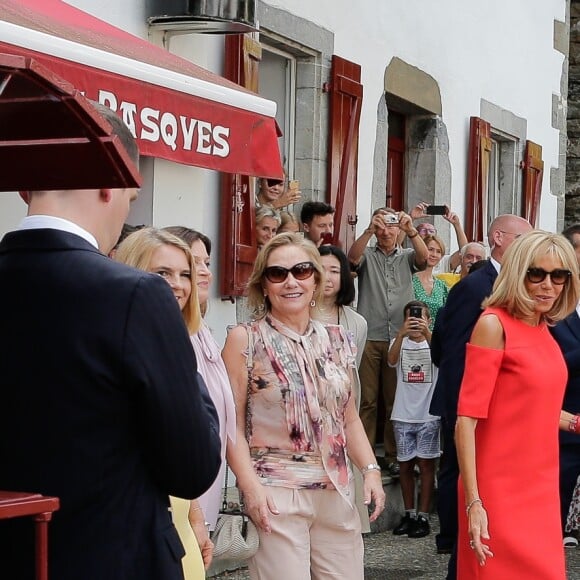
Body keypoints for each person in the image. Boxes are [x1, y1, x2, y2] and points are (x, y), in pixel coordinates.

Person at [0, 102, 221, 580]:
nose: (127, 208)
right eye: (130, 194)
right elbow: (193, 465)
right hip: (113, 558)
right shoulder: (135, 295)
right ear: (109, 182)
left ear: (25, 188)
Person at [222, 233, 385, 580]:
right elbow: (230, 424)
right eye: (277, 273)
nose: (291, 281)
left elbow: (349, 417)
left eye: (301, 271)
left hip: (337, 488)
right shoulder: (245, 340)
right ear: (263, 285)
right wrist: (250, 488)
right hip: (276, 490)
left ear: (316, 280)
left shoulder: (339, 339)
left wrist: (370, 470)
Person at [455, 230, 580, 578]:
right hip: (497, 486)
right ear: (517, 273)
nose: (547, 285)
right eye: (535, 273)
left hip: (540, 483)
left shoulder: (543, 327)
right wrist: (475, 502)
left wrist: (574, 422)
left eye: (559, 276)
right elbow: (466, 418)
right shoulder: (494, 325)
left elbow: (528, 405)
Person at [428, 214, 531, 576]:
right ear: (498, 237)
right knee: (460, 476)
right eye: (523, 238)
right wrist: (463, 413)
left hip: (498, 410)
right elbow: (454, 353)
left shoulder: (519, 284)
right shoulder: (474, 287)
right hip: (467, 407)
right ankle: (457, 553)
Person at [115, 227, 221, 577]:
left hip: (178, 508)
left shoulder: (183, 340)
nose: (177, 284)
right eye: (162, 273)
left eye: (185, 274)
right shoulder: (122, 345)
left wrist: (195, 517)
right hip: (134, 519)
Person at [163, 226, 237, 550]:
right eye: (195, 264)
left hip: (204, 489)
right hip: (180, 498)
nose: (204, 272)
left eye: (205, 263)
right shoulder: (169, 334)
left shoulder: (200, 329)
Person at [348, 207, 428, 477]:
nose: (386, 231)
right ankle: (366, 454)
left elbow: (424, 258)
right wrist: (368, 230)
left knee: (395, 400)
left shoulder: (406, 256)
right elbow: (352, 258)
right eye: (382, 225)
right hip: (370, 334)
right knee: (367, 400)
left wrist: (412, 230)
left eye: (391, 225)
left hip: (398, 336)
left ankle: (394, 455)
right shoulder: (368, 255)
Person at [314, 244, 370, 532]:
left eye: (334, 270)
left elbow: (352, 375)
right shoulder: (298, 314)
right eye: (320, 269)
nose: (327, 277)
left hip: (341, 422)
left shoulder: (356, 323)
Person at [388, 301, 440, 539]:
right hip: (403, 414)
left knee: (427, 466)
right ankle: (409, 513)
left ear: (428, 320)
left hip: (428, 414)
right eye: (411, 318)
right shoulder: (399, 342)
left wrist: (428, 333)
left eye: (420, 318)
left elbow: (441, 357)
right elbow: (391, 360)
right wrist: (401, 333)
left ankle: (423, 515)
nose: (416, 323)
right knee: (406, 466)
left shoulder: (434, 343)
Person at [551, 223, 580, 545]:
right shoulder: (553, 307)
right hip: (565, 412)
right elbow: (551, 362)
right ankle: (555, 530)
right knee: (560, 478)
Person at [412, 234, 449, 328]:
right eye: (430, 249)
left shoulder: (441, 286)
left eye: (438, 251)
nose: (434, 254)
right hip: (412, 336)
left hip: (435, 338)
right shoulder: (409, 280)